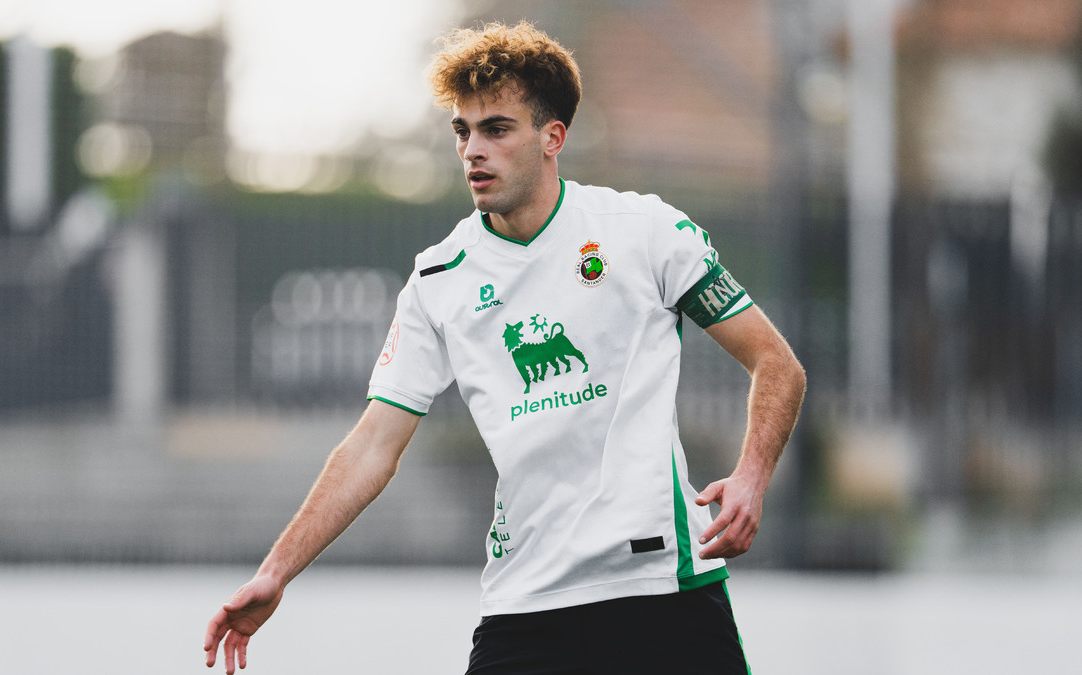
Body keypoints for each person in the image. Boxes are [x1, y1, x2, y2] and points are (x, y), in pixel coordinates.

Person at [204, 20, 806, 674]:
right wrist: (276, 571)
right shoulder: (439, 278)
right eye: (462, 131)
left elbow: (777, 363)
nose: (473, 150)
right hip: (526, 605)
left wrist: (751, 478)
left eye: (496, 129)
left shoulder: (645, 232)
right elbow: (372, 445)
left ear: (553, 138)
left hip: (662, 587)